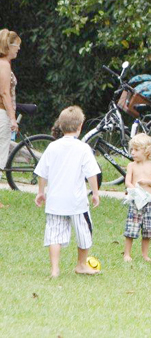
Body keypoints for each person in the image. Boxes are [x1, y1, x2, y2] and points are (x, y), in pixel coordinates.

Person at [33, 106, 101, 278]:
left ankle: (55, 269)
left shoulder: (52, 147)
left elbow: (42, 172)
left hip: (55, 201)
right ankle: (81, 265)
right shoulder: (83, 148)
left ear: (61, 126)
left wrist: (41, 192)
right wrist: (95, 193)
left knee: (54, 235)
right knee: (84, 232)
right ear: (80, 127)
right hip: (77, 201)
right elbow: (91, 173)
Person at [123, 133, 151, 262]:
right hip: (136, 201)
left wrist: (147, 182)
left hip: (149, 201)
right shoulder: (131, 166)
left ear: (146, 151)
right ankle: (127, 254)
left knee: (148, 229)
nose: (132, 152)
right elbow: (128, 181)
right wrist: (132, 188)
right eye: (132, 149)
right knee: (131, 227)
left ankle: (145, 255)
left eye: (136, 150)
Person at [0, 29, 20, 173]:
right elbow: (5, 93)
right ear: (9, 46)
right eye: (17, 45)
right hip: (2, 113)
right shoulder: (4, 65)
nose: (18, 48)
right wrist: (12, 118)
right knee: (2, 147)